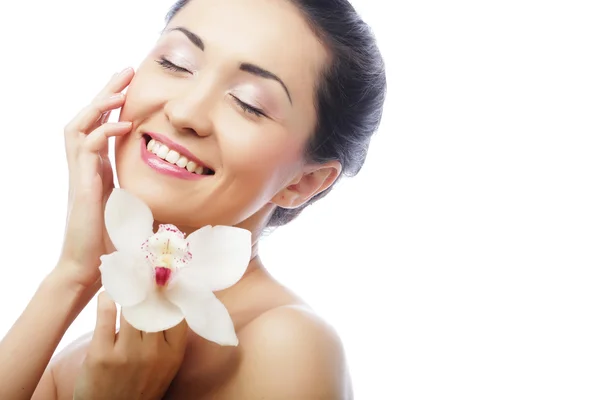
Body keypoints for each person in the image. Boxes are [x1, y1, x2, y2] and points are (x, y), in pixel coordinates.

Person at [0, 0, 386, 398]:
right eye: (175, 63)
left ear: (303, 183)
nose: (186, 112)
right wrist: (72, 276)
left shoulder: (290, 345)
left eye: (249, 103)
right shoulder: (79, 359)